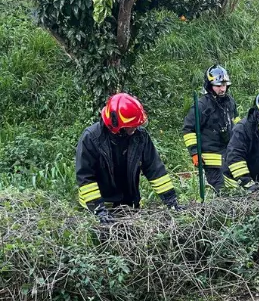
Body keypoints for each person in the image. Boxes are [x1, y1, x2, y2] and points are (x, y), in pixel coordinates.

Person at [75, 92, 181, 222]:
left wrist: (171, 200)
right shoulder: (91, 138)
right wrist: (99, 210)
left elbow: (155, 170)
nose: (136, 128)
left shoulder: (140, 137)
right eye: (132, 126)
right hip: (97, 206)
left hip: (127, 205)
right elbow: (85, 178)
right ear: (116, 125)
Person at [182, 65, 240, 192]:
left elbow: (236, 123)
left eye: (224, 85)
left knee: (236, 189)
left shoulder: (230, 102)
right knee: (221, 190)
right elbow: (188, 130)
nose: (222, 89)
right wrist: (195, 152)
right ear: (210, 86)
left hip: (229, 155)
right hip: (211, 160)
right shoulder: (201, 106)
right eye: (218, 85)